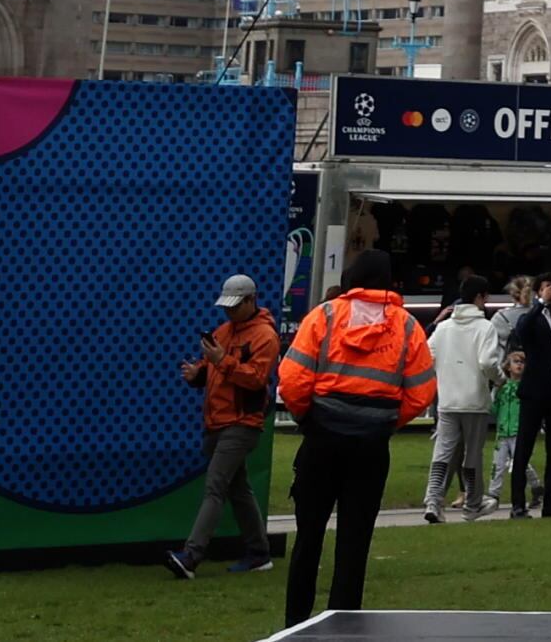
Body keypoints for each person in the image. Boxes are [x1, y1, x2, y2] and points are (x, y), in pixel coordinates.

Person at [270, 257, 429, 625]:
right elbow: (420, 394)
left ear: (350, 279)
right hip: (371, 448)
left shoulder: (325, 316)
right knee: (355, 543)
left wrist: (307, 417)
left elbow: (292, 378)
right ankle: (344, 624)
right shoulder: (406, 326)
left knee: (308, 537)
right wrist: (385, 423)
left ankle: (295, 622)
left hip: (322, 440)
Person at [161, 278, 276, 581]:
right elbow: (212, 370)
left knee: (215, 487)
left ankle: (191, 556)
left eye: (234, 307)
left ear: (251, 301)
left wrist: (220, 361)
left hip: (241, 423)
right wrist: (197, 374)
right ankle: (259, 553)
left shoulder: (265, 335)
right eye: (227, 306)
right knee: (238, 490)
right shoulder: (223, 332)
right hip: (218, 422)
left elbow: (256, 379)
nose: (229, 313)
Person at [416, 289, 498, 523]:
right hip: (474, 400)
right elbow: (487, 361)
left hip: (448, 400)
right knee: (472, 454)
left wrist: (444, 376)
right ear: (480, 298)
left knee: (442, 452)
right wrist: (499, 378)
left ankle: (433, 500)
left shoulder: (443, 328)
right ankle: (472, 504)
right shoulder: (485, 327)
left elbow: (426, 357)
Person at [500, 284, 551, 522]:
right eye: (546, 288)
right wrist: (540, 303)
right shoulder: (530, 317)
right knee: (524, 447)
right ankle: (518, 504)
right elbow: (522, 331)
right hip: (534, 390)